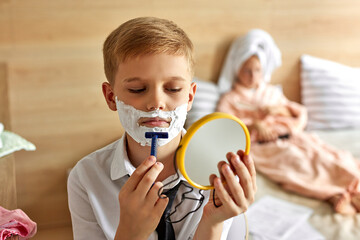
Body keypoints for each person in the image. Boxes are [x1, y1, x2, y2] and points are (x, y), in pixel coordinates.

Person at [67, 17, 257, 240]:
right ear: (111, 97)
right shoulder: (87, 179)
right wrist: (130, 233)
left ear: (190, 96)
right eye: (138, 89)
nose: (156, 102)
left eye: (173, 88)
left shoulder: (216, 170)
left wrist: (214, 222)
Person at [216, 29, 360, 215]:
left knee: (327, 157)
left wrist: (279, 110)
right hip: (266, 146)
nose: (253, 76)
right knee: (297, 165)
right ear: (237, 69)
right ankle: (334, 193)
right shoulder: (230, 99)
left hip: (293, 136)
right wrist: (253, 125)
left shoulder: (271, 93)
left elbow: (299, 114)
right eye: (247, 71)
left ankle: (353, 187)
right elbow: (224, 128)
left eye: (257, 70)